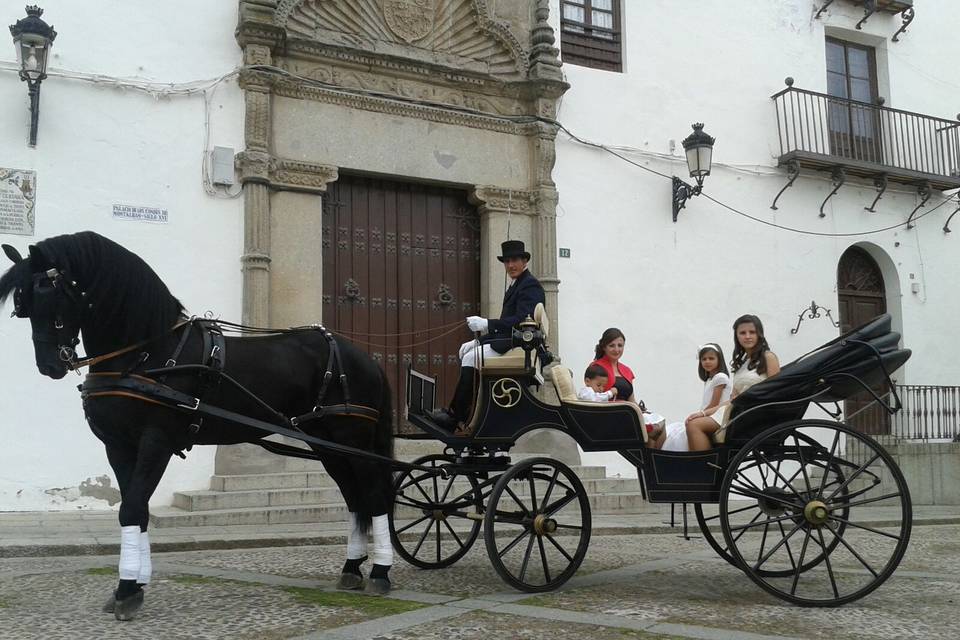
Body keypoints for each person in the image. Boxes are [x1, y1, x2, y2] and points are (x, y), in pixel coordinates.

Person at [429, 240, 545, 433]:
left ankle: (455, 417)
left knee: (471, 358)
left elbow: (522, 320)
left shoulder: (530, 285)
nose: (510, 265)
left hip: (520, 346)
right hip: (511, 342)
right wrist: (478, 340)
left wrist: (486, 324)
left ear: (525, 261)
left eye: (515, 260)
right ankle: (467, 418)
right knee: (472, 353)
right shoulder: (517, 285)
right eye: (507, 261)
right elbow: (507, 326)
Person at [685, 315, 780, 451]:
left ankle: (704, 469)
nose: (747, 336)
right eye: (742, 333)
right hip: (736, 411)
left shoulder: (768, 357)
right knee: (692, 421)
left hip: (752, 413)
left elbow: (776, 391)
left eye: (752, 332)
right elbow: (732, 400)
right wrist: (704, 413)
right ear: (737, 336)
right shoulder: (742, 364)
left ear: (759, 334)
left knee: (695, 425)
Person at [654, 343, 731, 450]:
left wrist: (700, 415)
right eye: (704, 359)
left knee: (688, 426)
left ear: (719, 359)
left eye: (711, 358)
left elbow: (714, 404)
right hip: (710, 413)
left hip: (717, 414)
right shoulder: (710, 379)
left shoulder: (720, 377)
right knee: (677, 429)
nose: (707, 361)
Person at [590, 328, 637, 403]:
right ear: (604, 347)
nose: (616, 350)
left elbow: (632, 400)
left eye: (620, 345)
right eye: (612, 346)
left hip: (627, 411)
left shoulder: (627, 370)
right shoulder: (596, 367)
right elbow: (592, 398)